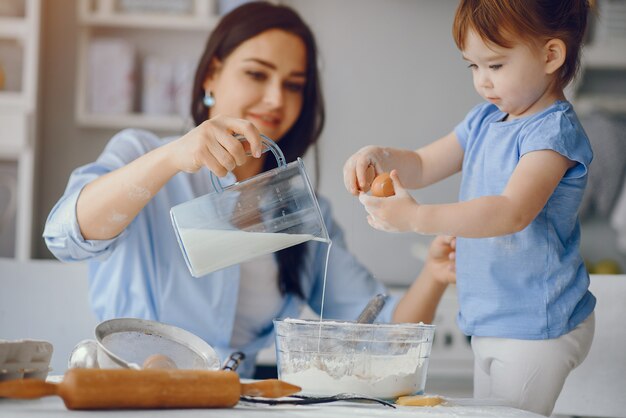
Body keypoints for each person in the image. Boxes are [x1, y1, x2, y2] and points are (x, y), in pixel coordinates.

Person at [44, 2, 455, 378]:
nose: (276, 99)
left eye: (294, 85)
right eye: (256, 74)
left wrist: (436, 274)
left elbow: (384, 335)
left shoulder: (301, 210)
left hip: (231, 401)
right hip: (132, 396)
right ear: (211, 74)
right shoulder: (144, 155)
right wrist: (172, 156)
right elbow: (65, 237)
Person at [343, 0, 595, 415]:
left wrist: (417, 218)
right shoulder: (484, 121)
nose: (482, 82)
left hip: (538, 324)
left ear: (551, 55)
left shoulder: (553, 132)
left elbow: (512, 211)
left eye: (495, 66)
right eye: (472, 67)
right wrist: (380, 156)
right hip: (490, 320)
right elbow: (423, 164)